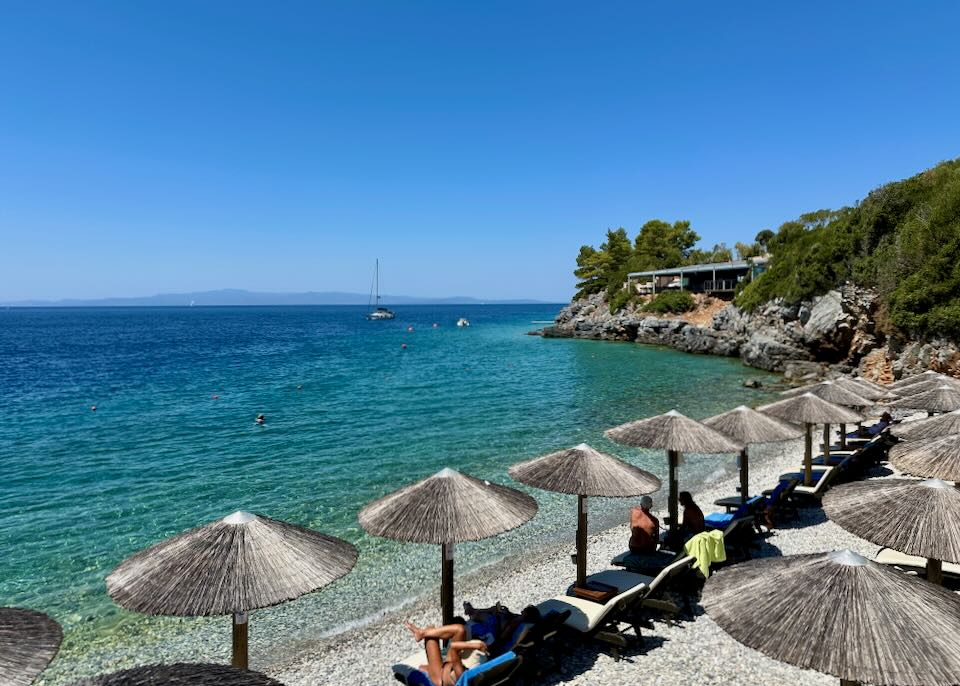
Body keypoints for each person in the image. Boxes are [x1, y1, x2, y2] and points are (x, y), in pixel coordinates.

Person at [403, 622, 487, 686]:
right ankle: (422, 633)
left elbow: (454, 647)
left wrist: (477, 645)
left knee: (430, 631)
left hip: (439, 674)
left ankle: (428, 668)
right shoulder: (467, 674)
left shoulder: (462, 675)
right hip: (450, 664)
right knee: (460, 630)